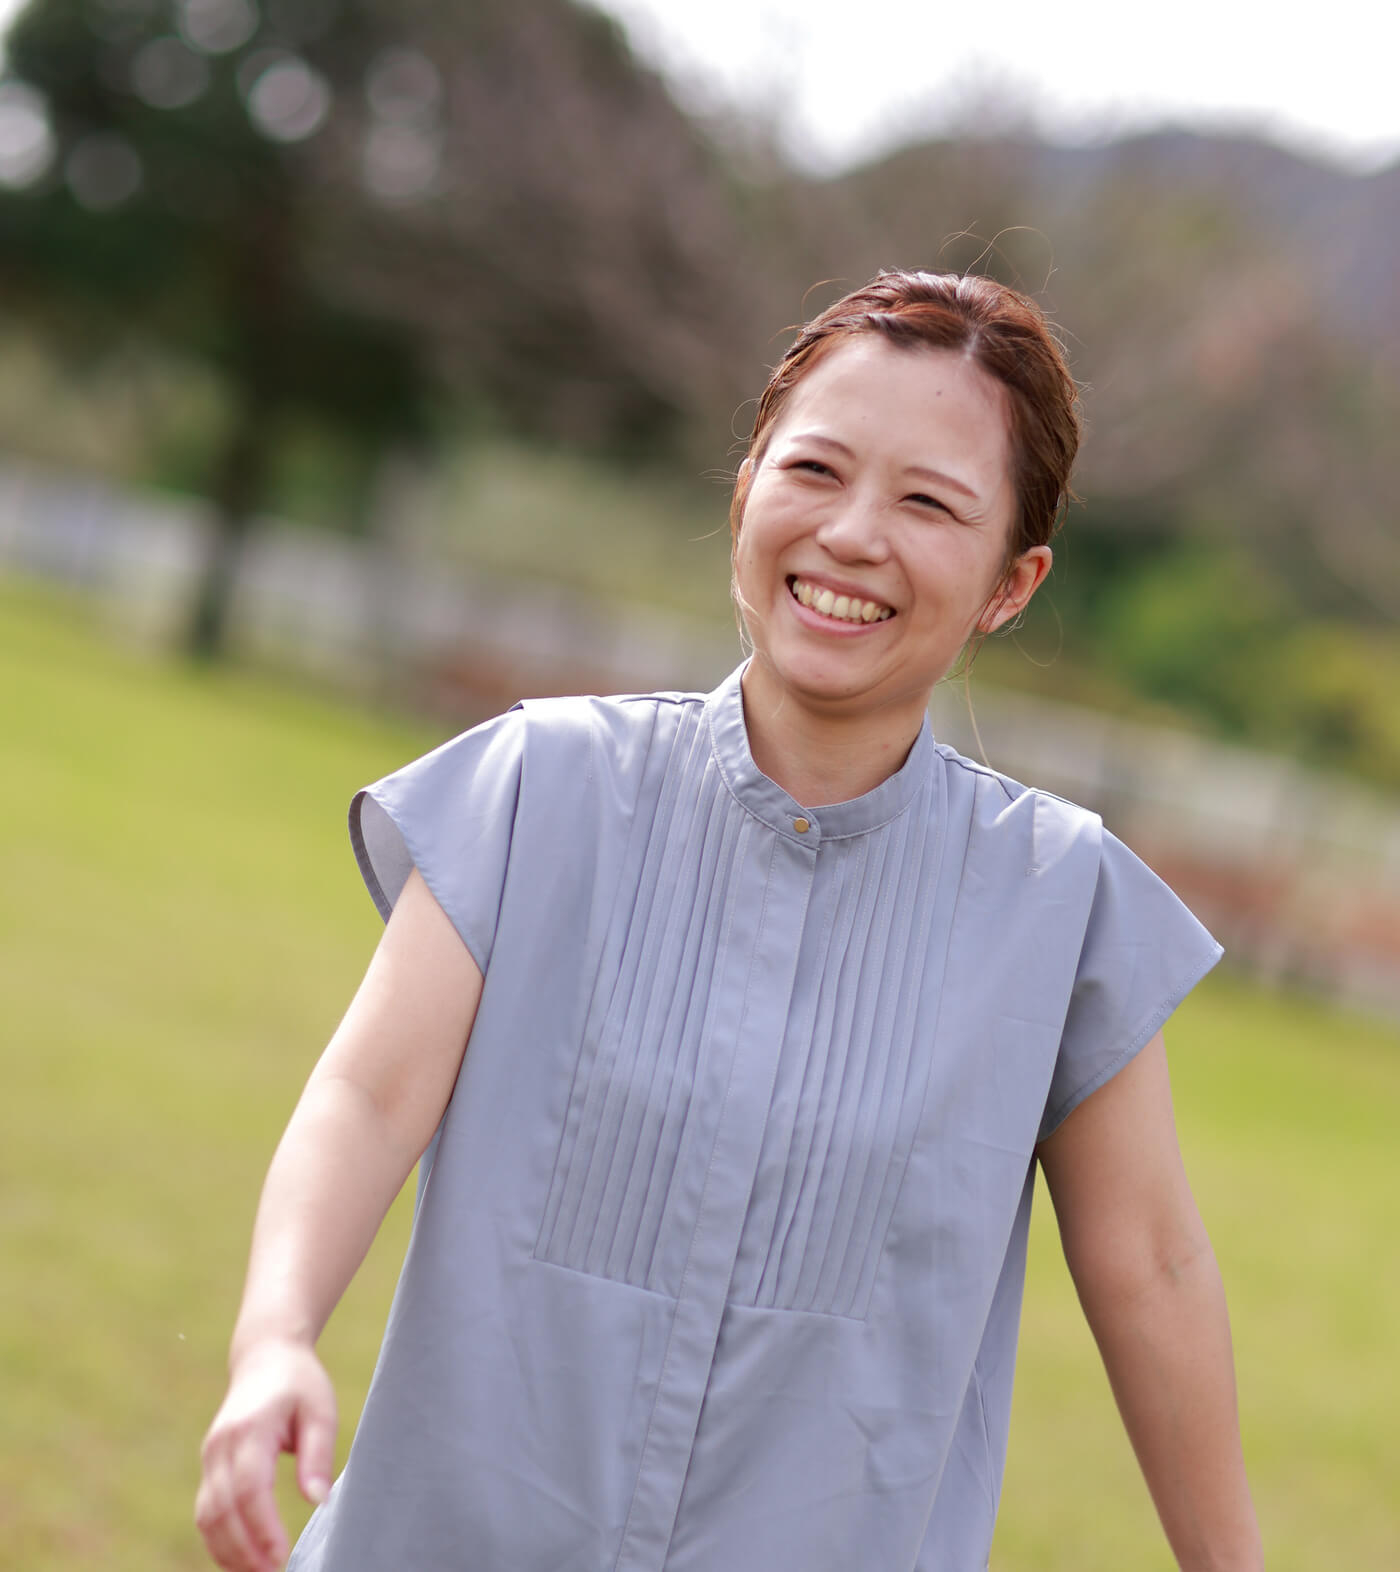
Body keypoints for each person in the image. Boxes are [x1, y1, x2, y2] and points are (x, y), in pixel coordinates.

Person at [196, 270, 1264, 1572]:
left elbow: (1149, 1265)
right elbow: (368, 1095)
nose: (855, 534)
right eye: (816, 469)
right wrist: (273, 1342)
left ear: (1010, 584)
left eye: (930, 503)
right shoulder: (541, 788)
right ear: (747, 483)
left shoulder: (1060, 903)